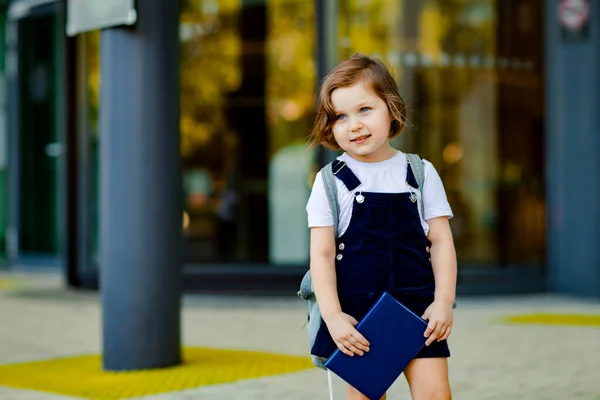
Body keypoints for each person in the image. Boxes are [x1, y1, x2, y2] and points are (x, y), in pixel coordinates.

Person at [305, 54, 457, 400]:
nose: (354, 124)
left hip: (419, 312)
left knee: (435, 394)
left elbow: (441, 242)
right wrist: (334, 317)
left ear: (392, 109)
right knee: (365, 397)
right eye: (340, 117)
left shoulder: (420, 173)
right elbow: (323, 254)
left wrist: (443, 301)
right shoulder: (330, 182)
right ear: (329, 126)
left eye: (364, 110)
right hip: (358, 316)